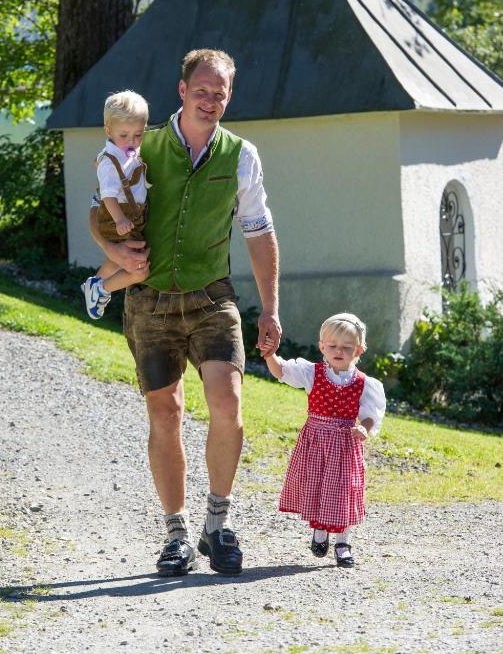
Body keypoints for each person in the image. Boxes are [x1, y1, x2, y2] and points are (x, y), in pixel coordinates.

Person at [89, 49, 281, 577]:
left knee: (229, 400)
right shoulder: (139, 143)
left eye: (220, 93)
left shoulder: (241, 154)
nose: (211, 100)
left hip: (211, 297)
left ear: (229, 97)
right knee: (165, 412)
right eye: (202, 89)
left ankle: (216, 525)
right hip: (149, 299)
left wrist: (270, 308)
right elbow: (96, 211)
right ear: (181, 90)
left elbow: (259, 231)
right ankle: (175, 532)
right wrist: (116, 254)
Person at [260, 313, 385, 568]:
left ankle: (343, 542)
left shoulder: (364, 384)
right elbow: (282, 371)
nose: (339, 351)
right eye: (332, 346)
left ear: (358, 350)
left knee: (343, 492)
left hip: (345, 445)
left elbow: (372, 414)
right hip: (315, 443)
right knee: (317, 486)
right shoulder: (312, 373)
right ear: (322, 347)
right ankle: (319, 530)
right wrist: (269, 355)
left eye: (347, 347)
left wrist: (365, 428)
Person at [82, 90, 150, 319]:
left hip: (129, 215)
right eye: (124, 135)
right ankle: (102, 289)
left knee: (117, 258)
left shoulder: (128, 151)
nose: (132, 142)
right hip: (115, 217)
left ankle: (94, 284)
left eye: (138, 135)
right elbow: (108, 196)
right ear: (108, 131)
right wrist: (120, 219)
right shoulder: (110, 163)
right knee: (138, 269)